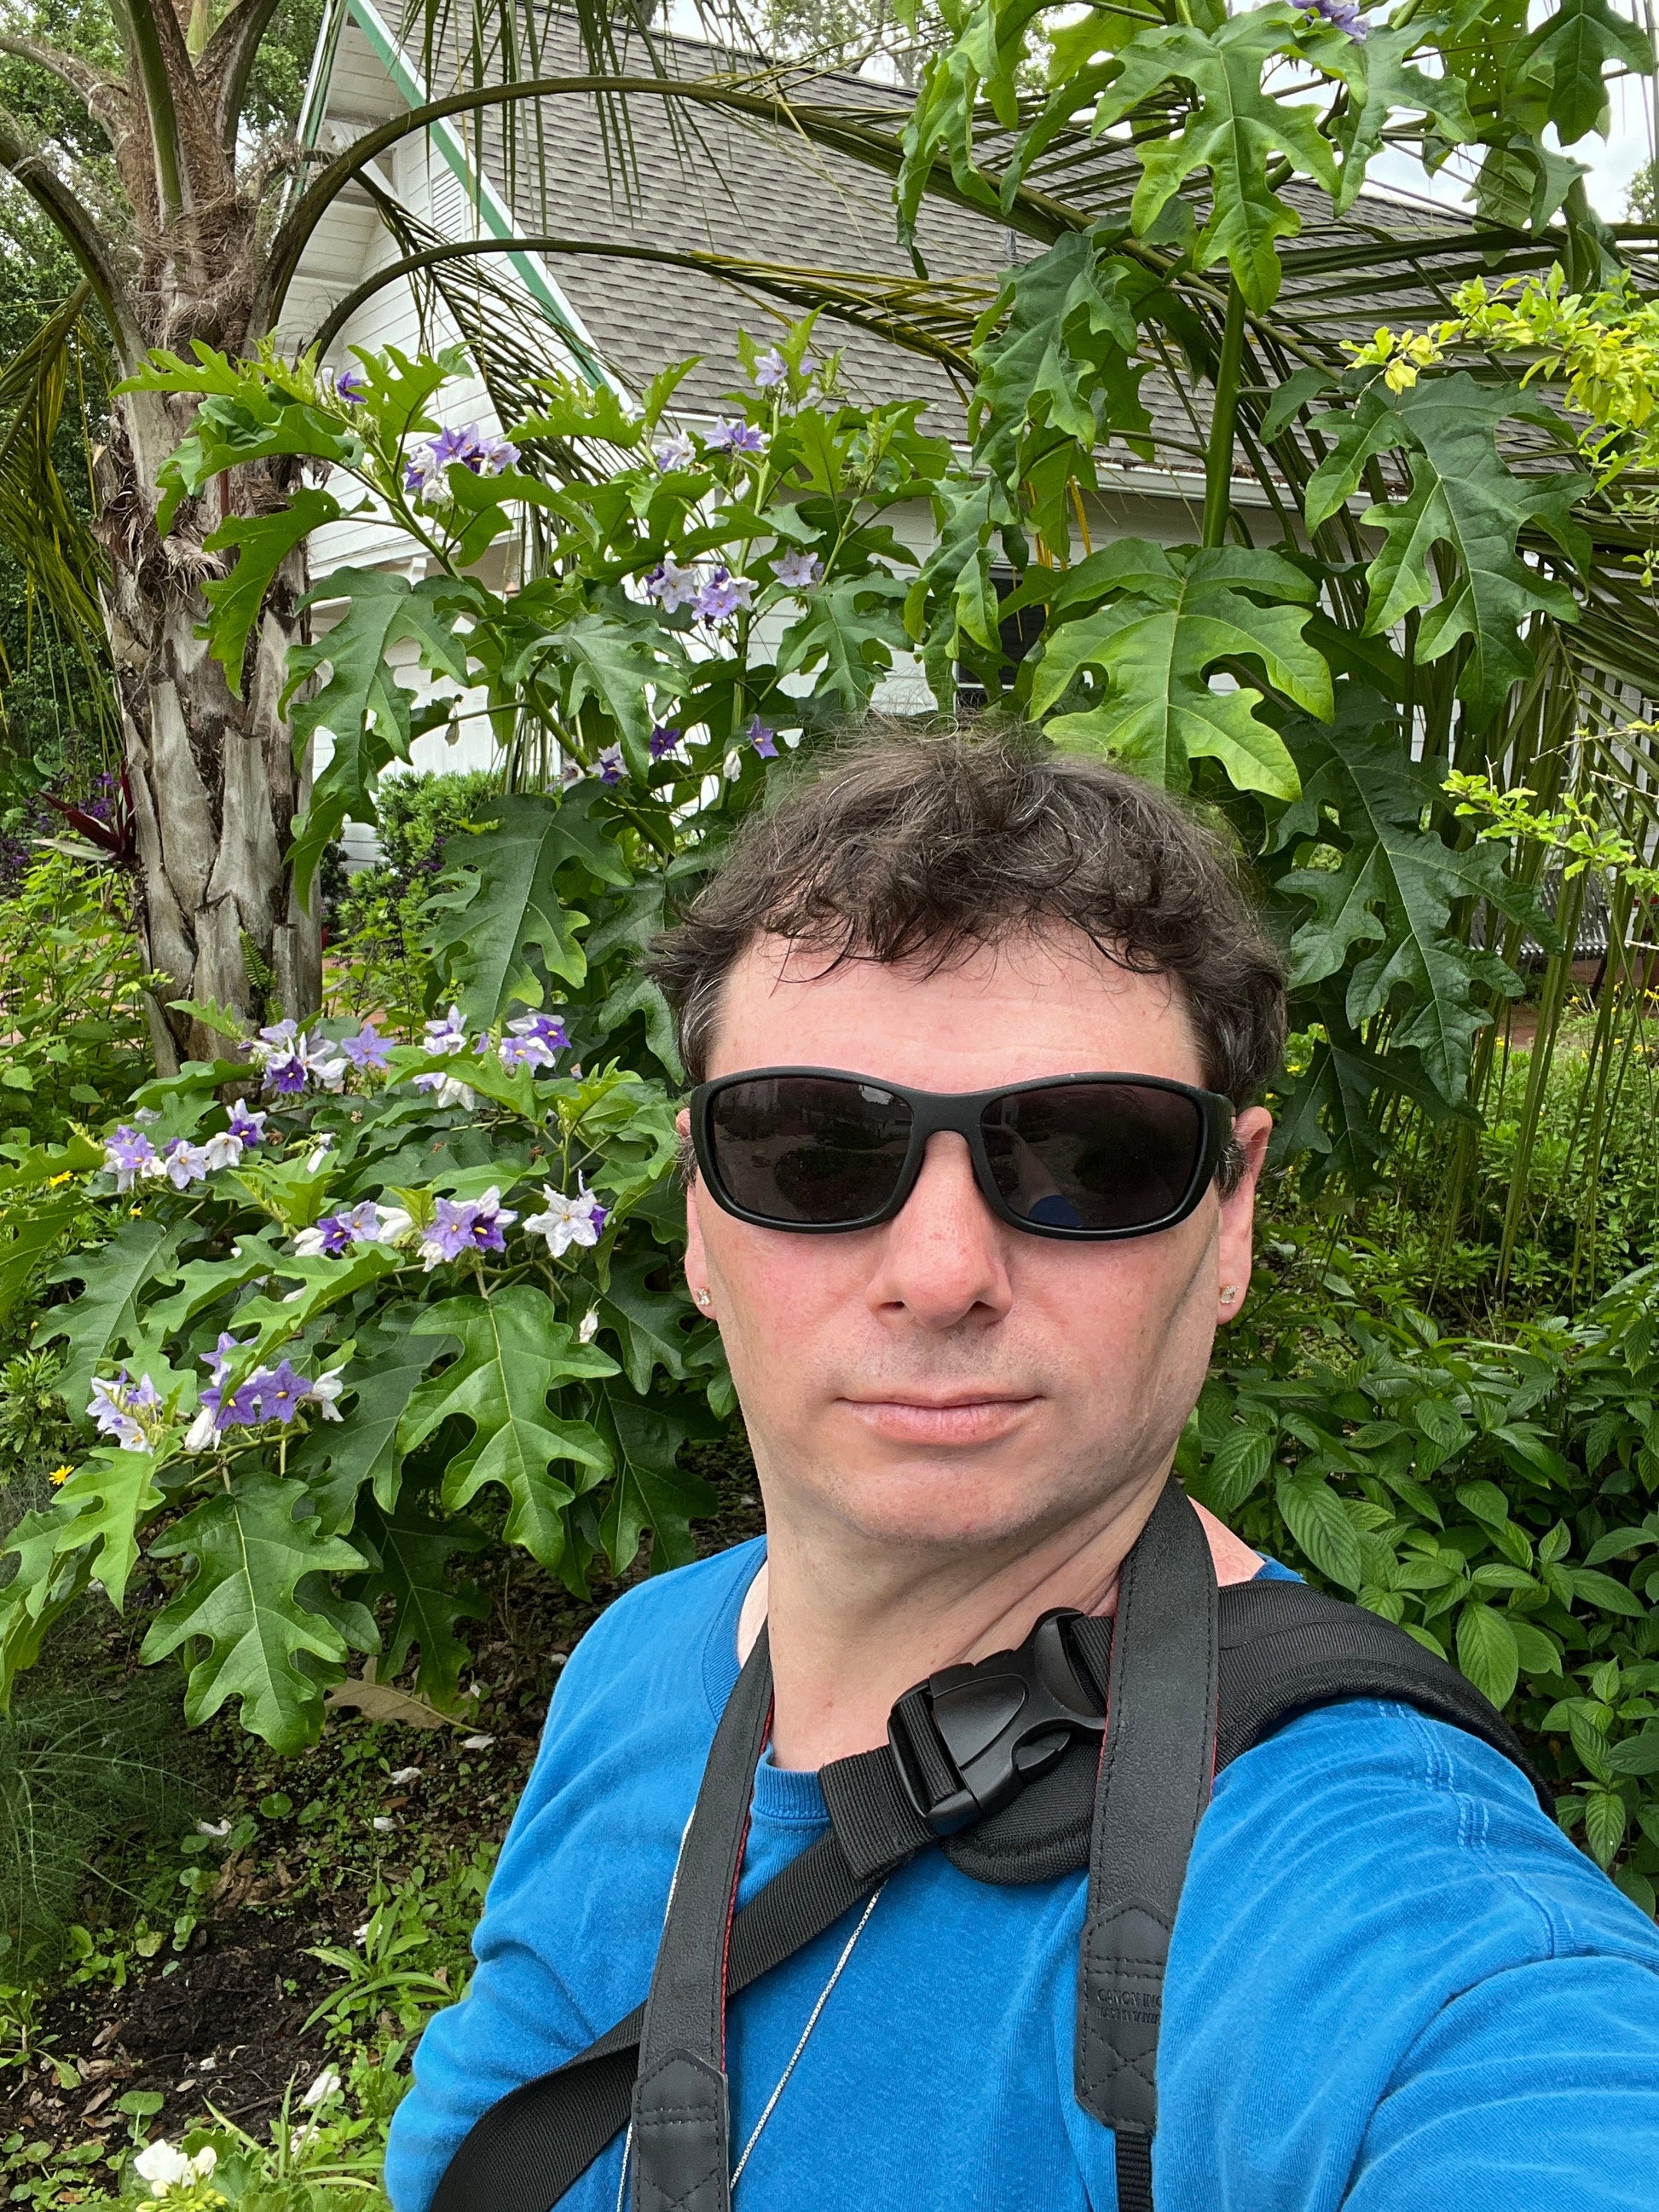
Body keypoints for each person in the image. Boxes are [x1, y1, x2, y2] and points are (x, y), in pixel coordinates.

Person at [386, 733, 1659, 2211]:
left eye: (1090, 1158)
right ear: (699, 1214)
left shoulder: (1373, 1891)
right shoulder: (639, 1663)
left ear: (1230, 1217)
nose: (941, 1274)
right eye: (813, 1150)